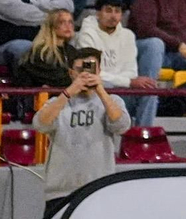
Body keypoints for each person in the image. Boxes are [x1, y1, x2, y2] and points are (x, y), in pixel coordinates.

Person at [34, 46, 128, 211]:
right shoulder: (58, 102)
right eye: (80, 70)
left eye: (91, 68)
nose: (86, 74)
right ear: (71, 73)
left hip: (99, 190)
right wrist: (70, 91)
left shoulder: (112, 100)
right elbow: (41, 124)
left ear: (99, 71)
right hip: (60, 192)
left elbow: (121, 125)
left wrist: (100, 89)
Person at [72, 0, 153, 126]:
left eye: (117, 11)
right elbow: (90, 73)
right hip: (97, 90)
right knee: (106, 87)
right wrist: (127, 82)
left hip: (122, 90)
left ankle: (141, 134)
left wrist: (125, 82)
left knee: (150, 91)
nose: (113, 16)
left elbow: (131, 72)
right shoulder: (87, 35)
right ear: (98, 13)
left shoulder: (128, 36)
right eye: (108, 11)